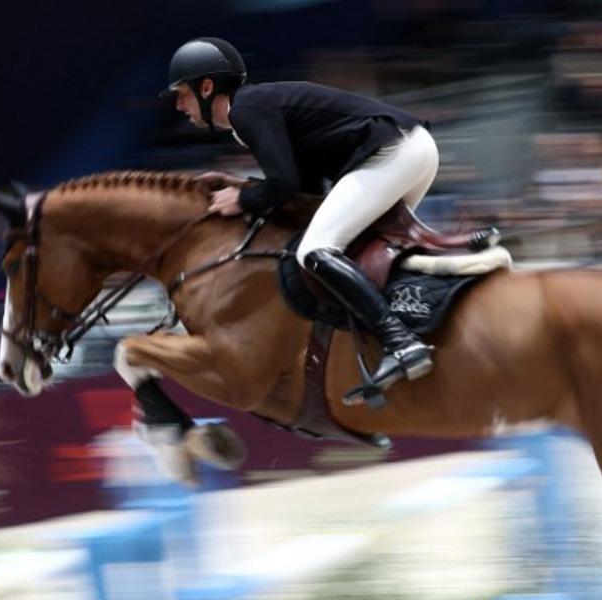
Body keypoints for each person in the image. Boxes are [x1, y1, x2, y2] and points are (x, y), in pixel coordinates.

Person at [162, 37, 495, 393]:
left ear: (207, 87)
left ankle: (400, 343)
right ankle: (425, 311)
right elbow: (306, 188)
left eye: (182, 94)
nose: (180, 106)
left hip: (392, 154)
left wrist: (243, 199)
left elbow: (284, 184)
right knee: (368, 250)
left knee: (314, 251)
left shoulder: (246, 110)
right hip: (410, 149)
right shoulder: (255, 108)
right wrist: (247, 190)